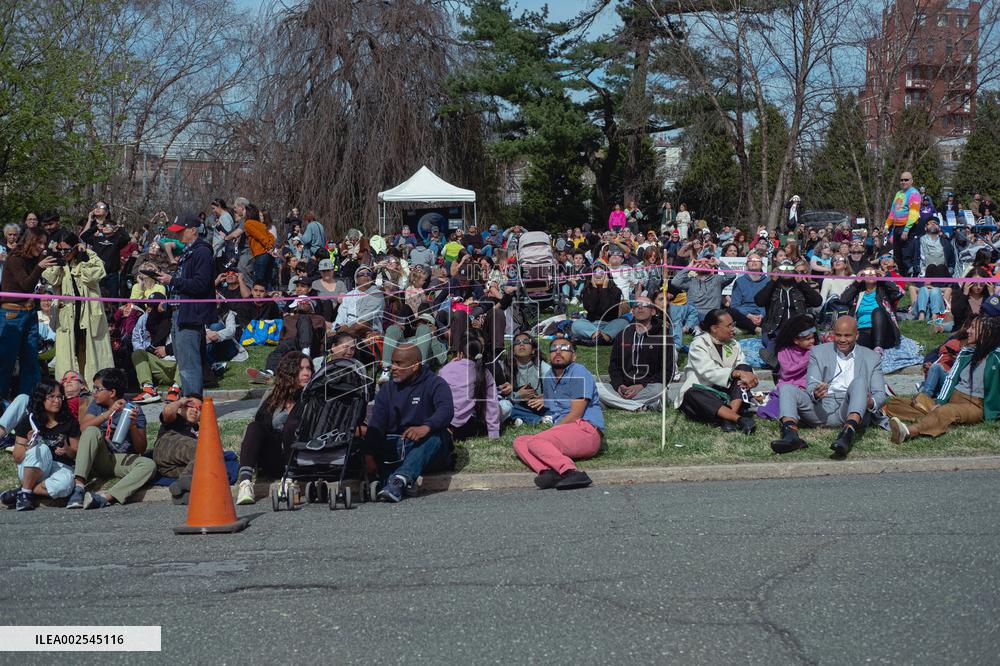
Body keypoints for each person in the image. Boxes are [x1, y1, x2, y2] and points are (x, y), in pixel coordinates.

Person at [770, 316, 886, 459]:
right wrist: (815, 392)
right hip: (823, 406)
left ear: (857, 335)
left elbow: (880, 394)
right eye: (838, 335)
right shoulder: (818, 352)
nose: (842, 340)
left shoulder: (872, 357)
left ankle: (847, 433)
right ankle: (790, 435)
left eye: (847, 335)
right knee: (786, 388)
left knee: (859, 382)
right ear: (833, 334)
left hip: (852, 405)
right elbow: (811, 384)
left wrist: (870, 402)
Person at [886, 312, 1000, 444]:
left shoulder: (996, 357)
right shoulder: (967, 353)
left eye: (973, 328)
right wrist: (940, 402)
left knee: (946, 411)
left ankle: (909, 431)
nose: (968, 330)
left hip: (974, 405)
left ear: (987, 332)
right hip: (952, 399)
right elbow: (950, 379)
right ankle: (933, 419)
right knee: (896, 402)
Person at [364, 344, 455, 503]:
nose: (393, 368)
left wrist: (426, 427)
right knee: (365, 443)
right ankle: (391, 481)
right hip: (397, 445)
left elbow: (446, 411)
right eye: (392, 362)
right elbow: (376, 425)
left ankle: (399, 479)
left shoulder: (435, 383)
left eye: (399, 363)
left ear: (414, 366)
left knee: (437, 437)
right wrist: (368, 454)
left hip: (426, 446)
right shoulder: (387, 390)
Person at [512, 336, 603, 490]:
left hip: (585, 430)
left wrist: (550, 432)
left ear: (574, 356)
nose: (558, 351)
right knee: (520, 441)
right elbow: (553, 404)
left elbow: (576, 413)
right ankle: (549, 472)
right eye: (554, 348)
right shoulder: (548, 377)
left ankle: (570, 471)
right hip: (565, 434)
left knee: (537, 441)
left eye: (565, 348)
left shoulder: (578, 371)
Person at [68, 368, 155, 509]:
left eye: (97, 389)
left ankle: (105, 497)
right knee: (91, 431)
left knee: (148, 465)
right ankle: (78, 488)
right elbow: (83, 428)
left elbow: (141, 448)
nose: (94, 393)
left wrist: (132, 426)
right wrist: (109, 412)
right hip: (98, 458)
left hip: (120, 460)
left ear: (112, 393)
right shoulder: (97, 406)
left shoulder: (133, 409)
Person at [236, 351, 311, 504]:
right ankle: (245, 483)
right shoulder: (273, 394)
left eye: (309, 368)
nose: (306, 373)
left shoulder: (311, 396)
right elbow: (260, 425)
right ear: (289, 372)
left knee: (292, 424)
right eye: (301, 369)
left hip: (300, 461)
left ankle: (290, 479)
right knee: (254, 427)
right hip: (273, 458)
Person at [156, 213, 215, 397]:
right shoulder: (187, 251)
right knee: (183, 364)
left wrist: (172, 280)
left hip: (190, 313)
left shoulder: (203, 251)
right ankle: (189, 402)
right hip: (178, 312)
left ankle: (193, 405)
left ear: (193, 230)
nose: (178, 235)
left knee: (189, 365)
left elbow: (200, 284)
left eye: (181, 231)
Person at [43, 233, 114, 385]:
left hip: (89, 315)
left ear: (76, 247)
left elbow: (96, 274)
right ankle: (69, 388)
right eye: (61, 250)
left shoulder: (89, 255)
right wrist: (58, 262)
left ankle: (96, 387)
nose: (64, 253)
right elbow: (51, 279)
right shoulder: (57, 260)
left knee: (91, 353)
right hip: (67, 316)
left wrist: (84, 260)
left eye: (67, 250)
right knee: (68, 354)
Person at [673, 309, 758, 433]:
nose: (733, 328)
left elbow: (742, 365)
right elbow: (708, 371)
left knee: (745, 367)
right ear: (714, 328)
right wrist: (736, 373)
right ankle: (738, 419)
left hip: (728, 393)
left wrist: (751, 378)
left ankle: (728, 418)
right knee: (691, 394)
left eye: (733, 324)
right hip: (704, 390)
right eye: (729, 326)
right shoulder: (698, 344)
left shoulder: (734, 344)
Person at [1, 378, 79, 511]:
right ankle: (25, 494)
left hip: (60, 466)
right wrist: (29, 445)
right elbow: (18, 457)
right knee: (41, 449)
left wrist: (67, 450)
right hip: (33, 467)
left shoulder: (68, 420)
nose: (57, 401)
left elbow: (76, 454)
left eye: (60, 397)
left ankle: (23, 490)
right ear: (41, 398)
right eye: (52, 397)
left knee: (64, 486)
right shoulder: (30, 420)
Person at [0, 226, 55, 400]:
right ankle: (2, 399)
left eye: (44, 243)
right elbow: (25, 286)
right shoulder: (15, 258)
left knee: (31, 359)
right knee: (6, 361)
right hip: (12, 314)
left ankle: (30, 399)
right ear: (30, 240)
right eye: (39, 242)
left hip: (30, 313)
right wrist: (39, 267)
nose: (41, 246)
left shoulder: (37, 258)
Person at [598, 294, 671, 412]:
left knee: (661, 390)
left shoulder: (663, 337)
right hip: (624, 388)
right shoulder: (623, 335)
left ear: (653, 311)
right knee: (596, 387)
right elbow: (614, 366)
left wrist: (640, 386)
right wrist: (619, 386)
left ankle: (616, 403)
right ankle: (638, 407)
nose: (640, 307)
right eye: (636, 305)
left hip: (648, 387)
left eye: (644, 305)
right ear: (632, 311)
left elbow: (667, 371)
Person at [439, 335, 501, 440]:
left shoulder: (446, 369)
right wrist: (493, 432)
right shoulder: (484, 373)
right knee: (503, 407)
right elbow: (492, 405)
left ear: (460, 354)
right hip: (468, 427)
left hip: (445, 422)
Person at [757, 315, 818, 420]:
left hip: (805, 389)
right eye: (808, 339)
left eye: (813, 337)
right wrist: (809, 358)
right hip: (787, 386)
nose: (812, 341)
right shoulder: (784, 351)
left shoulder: (815, 351)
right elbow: (788, 371)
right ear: (796, 340)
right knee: (772, 407)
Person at [755, 259, 823, 348]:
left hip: (798, 329)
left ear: (794, 271)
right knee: (775, 348)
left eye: (790, 268)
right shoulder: (773, 287)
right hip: (775, 330)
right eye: (783, 268)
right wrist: (772, 281)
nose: (786, 270)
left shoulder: (800, 287)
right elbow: (759, 301)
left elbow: (817, 302)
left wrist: (802, 283)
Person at [150, 395, 202, 503]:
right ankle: (186, 479)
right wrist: (180, 401)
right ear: (182, 407)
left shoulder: (198, 430)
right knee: (204, 449)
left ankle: (184, 494)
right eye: (191, 405)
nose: (195, 410)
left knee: (208, 468)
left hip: (169, 468)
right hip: (167, 446)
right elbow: (168, 411)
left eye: (200, 408)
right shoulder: (177, 419)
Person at [839, 267, 902, 351]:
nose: (871, 274)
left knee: (877, 311)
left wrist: (885, 278)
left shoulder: (883, 291)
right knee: (860, 349)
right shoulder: (858, 294)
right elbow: (843, 299)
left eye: (873, 272)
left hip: (884, 332)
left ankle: (878, 348)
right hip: (862, 331)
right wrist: (856, 282)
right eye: (867, 272)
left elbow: (899, 292)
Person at [498, 333, 551, 426]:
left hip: (537, 406)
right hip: (514, 404)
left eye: (526, 341)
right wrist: (518, 395)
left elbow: (556, 391)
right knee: (508, 407)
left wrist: (544, 398)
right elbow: (497, 395)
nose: (521, 344)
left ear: (533, 350)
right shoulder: (503, 367)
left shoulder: (543, 367)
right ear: (513, 351)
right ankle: (536, 420)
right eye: (517, 342)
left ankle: (520, 420)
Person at [80, 201, 129, 298]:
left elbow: (126, 238)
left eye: (101, 207)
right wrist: (93, 225)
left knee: (112, 297)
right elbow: (83, 236)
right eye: (95, 206)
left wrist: (118, 228)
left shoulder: (116, 237)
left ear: (107, 212)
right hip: (96, 270)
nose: (97, 208)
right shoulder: (94, 230)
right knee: (96, 296)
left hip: (112, 272)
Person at [571, 264, 628, 344]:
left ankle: (600, 338)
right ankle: (600, 337)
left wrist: (604, 287)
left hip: (609, 324)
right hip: (591, 325)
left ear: (607, 275)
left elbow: (606, 310)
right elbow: (591, 309)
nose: (598, 274)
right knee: (576, 324)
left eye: (601, 272)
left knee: (623, 323)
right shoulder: (587, 290)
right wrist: (594, 287)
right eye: (595, 272)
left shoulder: (616, 291)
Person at [670, 256, 735, 320]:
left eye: (707, 262)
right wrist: (689, 267)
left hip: (712, 316)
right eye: (700, 263)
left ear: (712, 267)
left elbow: (731, 275)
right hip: (694, 316)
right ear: (695, 269)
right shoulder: (690, 281)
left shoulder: (718, 279)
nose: (703, 264)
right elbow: (675, 282)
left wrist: (719, 263)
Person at [885, 171, 921, 276]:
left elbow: (914, 214)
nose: (903, 182)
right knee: (897, 255)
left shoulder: (914, 193)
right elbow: (892, 211)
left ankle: (910, 278)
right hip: (896, 227)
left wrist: (906, 229)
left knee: (906, 255)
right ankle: (902, 277)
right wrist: (887, 225)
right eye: (902, 180)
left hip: (907, 228)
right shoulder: (899, 193)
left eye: (906, 180)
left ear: (911, 181)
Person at [728, 254, 767, 333]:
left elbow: (770, 304)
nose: (754, 261)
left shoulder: (768, 281)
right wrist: (749, 316)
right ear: (746, 265)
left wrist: (761, 315)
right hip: (745, 314)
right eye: (751, 260)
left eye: (757, 260)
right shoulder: (739, 281)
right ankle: (756, 329)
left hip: (762, 314)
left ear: (762, 264)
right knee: (730, 311)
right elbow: (735, 305)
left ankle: (746, 328)